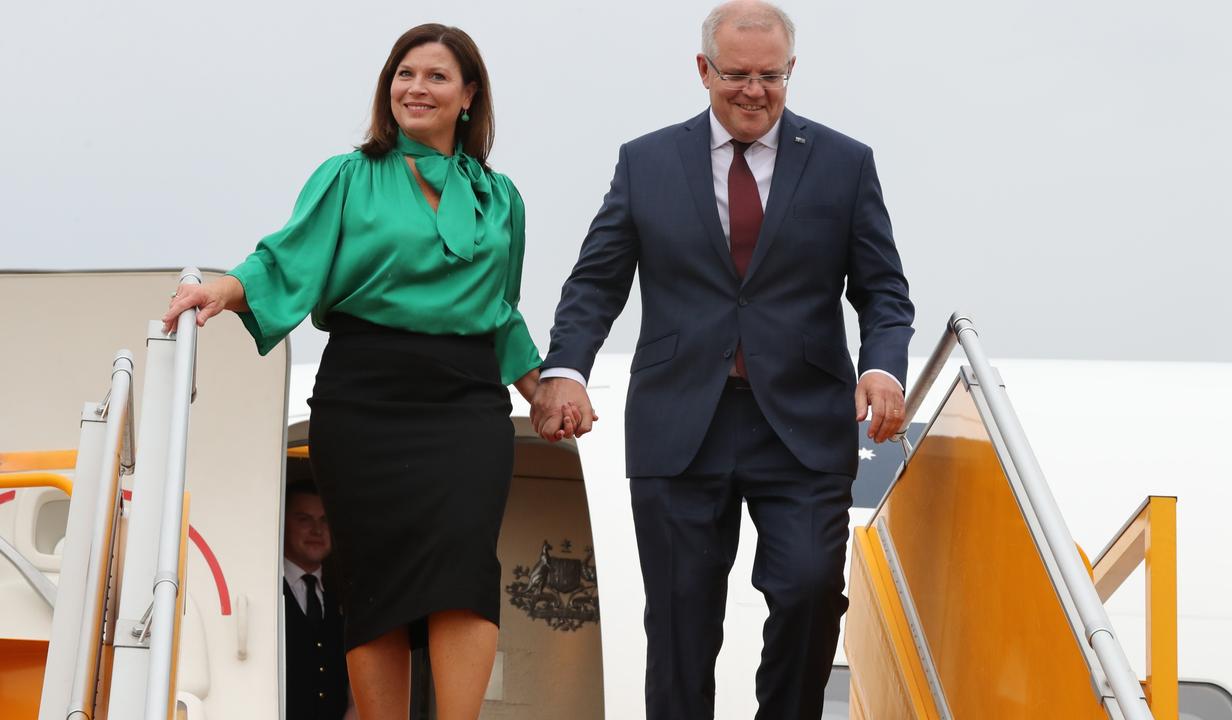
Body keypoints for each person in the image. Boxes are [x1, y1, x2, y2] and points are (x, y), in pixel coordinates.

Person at [162, 24, 566, 720]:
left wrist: (544, 390)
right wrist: (223, 293)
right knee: (373, 579)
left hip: (467, 402)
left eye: (436, 76)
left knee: (466, 570)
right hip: (364, 397)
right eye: (403, 74)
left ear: (469, 96)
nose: (415, 87)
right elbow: (285, 258)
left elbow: (500, 312)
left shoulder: (502, 198)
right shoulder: (348, 176)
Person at [531, 2, 915, 718]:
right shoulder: (646, 162)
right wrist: (565, 371)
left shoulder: (844, 163)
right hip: (680, 423)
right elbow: (596, 282)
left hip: (802, 424)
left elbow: (884, 291)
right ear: (703, 70)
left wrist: (882, 367)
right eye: (736, 74)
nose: (752, 90)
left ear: (791, 71)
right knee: (679, 624)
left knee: (807, 593)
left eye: (770, 75)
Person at [280, 478, 355, 720]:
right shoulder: (266, 590)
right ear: (282, 523)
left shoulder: (344, 597)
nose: (317, 530)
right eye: (304, 519)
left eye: (325, 520)